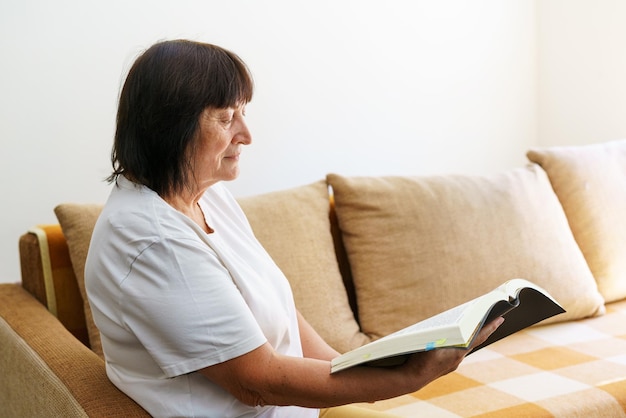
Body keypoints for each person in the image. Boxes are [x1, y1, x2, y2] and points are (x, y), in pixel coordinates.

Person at [84, 39, 503, 418]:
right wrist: (406, 380)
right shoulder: (152, 240)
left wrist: (360, 366)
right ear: (170, 128)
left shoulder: (208, 197)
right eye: (227, 118)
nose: (246, 134)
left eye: (243, 114)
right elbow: (256, 382)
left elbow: (282, 311)